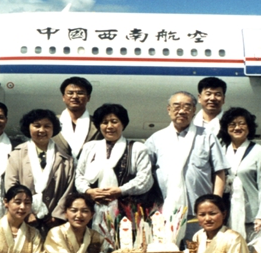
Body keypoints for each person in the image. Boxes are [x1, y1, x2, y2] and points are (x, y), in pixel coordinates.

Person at [145, 91, 229, 241]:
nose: (182, 111)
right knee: (168, 251)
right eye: (176, 106)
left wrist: (215, 203)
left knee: (201, 251)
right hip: (166, 210)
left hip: (200, 212)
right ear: (168, 109)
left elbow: (219, 172)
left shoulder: (207, 136)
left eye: (187, 107)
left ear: (194, 110)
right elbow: (145, 172)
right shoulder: (156, 139)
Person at [76, 103, 155, 237]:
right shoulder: (90, 147)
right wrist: (89, 191)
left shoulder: (137, 148)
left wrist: (120, 190)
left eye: (114, 121)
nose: (109, 126)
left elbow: (145, 179)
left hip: (126, 212)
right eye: (104, 122)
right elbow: (79, 176)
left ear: (123, 124)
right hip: (92, 211)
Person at [5, 109, 75, 232]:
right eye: (37, 126)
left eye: (47, 126)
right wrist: (26, 213)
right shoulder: (17, 155)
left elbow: (69, 190)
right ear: (28, 128)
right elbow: (11, 186)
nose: (42, 130)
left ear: (53, 129)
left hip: (54, 223)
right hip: (22, 219)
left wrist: (57, 215)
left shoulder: (65, 159)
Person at [217, 107, 261, 241]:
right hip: (227, 213)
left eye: (242, 123)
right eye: (232, 124)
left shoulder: (259, 151)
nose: (237, 128)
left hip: (252, 216)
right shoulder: (221, 151)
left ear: (249, 127)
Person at [52, 77, 101, 160]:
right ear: (63, 97)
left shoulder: (98, 123)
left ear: (88, 97)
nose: (75, 96)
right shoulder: (52, 121)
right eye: (70, 93)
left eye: (80, 93)